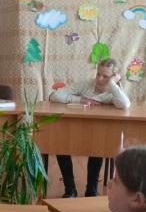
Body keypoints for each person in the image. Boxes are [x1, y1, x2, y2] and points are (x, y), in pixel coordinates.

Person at [48, 58, 130, 198]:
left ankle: (91, 190)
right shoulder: (86, 84)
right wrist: (80, 100)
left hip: (98, 131)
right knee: (61, 144)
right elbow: (55, 96)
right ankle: (70, 189)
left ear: (114, 77)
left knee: (97, 145)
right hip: (76, 128)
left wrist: (112, 83)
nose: (99, 79)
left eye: (105, 76)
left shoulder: (114, 91)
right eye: (98, 74)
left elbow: (125, 104)